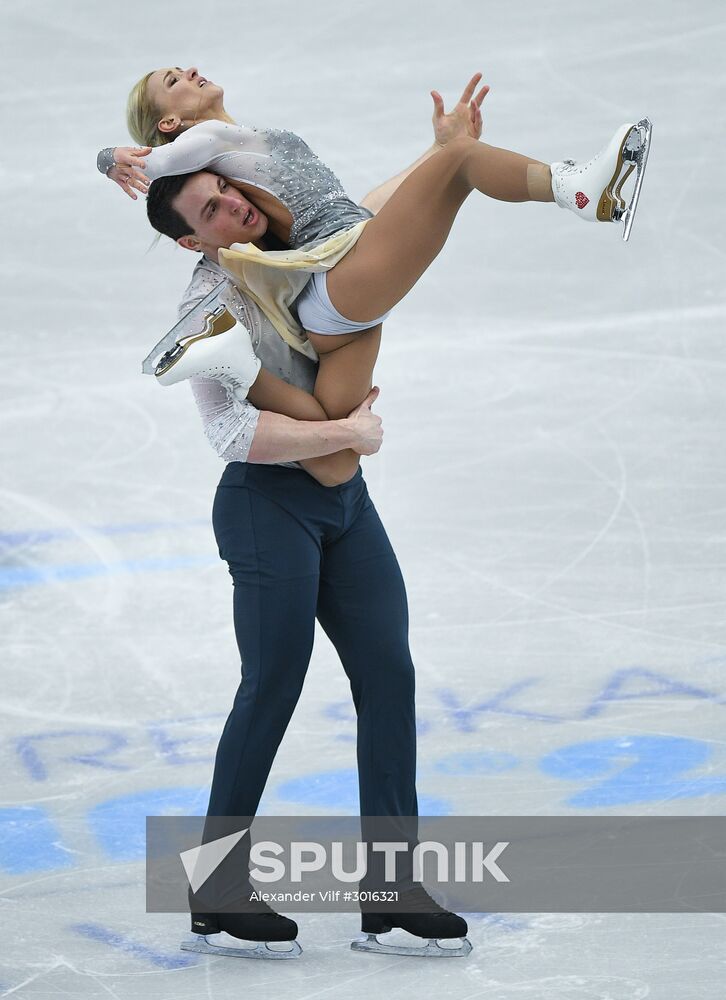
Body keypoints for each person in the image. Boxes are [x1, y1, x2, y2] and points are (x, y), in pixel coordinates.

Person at [99, 66, 650, 424]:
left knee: (334, 433)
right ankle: (578, 189)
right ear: (171, 121)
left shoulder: (236, 156)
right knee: (463, 166)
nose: (190, 71)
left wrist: (438, 149)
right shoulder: (205, 140)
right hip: (340, 281)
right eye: (174, 81)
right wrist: (110, 158)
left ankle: (234, 368)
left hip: (336, 295)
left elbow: (365, 208)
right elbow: (155, 161)